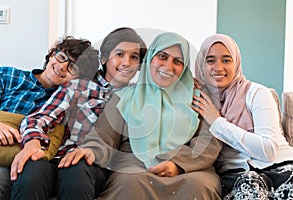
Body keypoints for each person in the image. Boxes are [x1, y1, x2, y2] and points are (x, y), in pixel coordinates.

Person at [59, 32, 223, 199]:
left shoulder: (198, 97)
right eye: (162, 56)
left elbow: (208, 142)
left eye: (178, 61)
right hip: (136, 165)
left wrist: (178, 164)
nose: (168, 66)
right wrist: (91, 150)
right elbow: (104, 136)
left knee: (200, 186)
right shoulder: (124, 96)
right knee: (129, 182)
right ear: (150, 58)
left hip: (189, 167)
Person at [10, 27, 147, 200]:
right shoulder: (78, 86)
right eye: (120, 54)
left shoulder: (137, 95)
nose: (127, 62)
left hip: (92, 165)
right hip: (57, 157)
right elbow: (41, 118)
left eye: (134, 57)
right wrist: (32, 143)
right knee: (31, 171)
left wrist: (191, 86)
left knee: (76, 170)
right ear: (104, 58)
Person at [0, 36, 98, 200]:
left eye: (72, 68)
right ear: (51, 55)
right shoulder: (9, 75)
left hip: (20, 161)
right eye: (61, 57)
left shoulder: (66, 101)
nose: (62, 67)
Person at [192, 33, 293, 199]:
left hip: (280, 166)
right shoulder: (200, 100)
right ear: (201, 65)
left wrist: (217, 122)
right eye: (210, 60)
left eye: (226, 60)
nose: (218, 67)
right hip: (238, 175)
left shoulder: (257, 93)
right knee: (248, 188)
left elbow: (268, 150)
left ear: (236, 62)